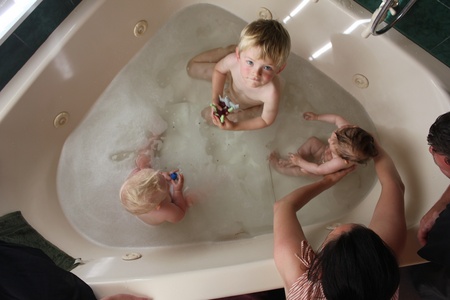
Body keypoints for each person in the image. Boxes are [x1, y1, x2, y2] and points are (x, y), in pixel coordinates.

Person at [273, 142, 406, 299]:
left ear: (320, 272)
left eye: (331, 235)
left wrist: (327, 181)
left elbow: (283, 206)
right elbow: (394, 185)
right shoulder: (382, 272)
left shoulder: (304, 291)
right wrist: (366, 143)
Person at [186, 18, 291, 131]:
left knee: (208, 117)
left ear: (279, 69)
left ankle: (251, 111)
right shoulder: (233, 61)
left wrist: (235, 126)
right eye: (250, 62)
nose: (255, 73)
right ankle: (227, 51)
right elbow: (219, 71)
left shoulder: (271, 92)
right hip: (232, 77)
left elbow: (266, 120)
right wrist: (215, 97)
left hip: (249, 106)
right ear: (238, 56)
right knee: (191, 68)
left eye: (267, 67)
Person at [269, 112, 378, 176]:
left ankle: (282, 169)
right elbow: (336, 119)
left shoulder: (340, 163)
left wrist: (301, 163)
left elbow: (318, 170)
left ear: (345, 160)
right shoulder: (347, 131)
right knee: (313, 141)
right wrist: (317, 117)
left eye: (334, 146)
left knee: (305, 170)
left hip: (323, 165)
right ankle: (294, 159)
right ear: (353, 127)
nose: (329, 140)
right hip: (323, 152)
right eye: (335, 135)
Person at [119, 135, 189, 225]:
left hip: (147, 198)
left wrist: (161, 176)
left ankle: (153, 138)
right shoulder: (165, 210)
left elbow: (150, 182)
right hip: (167, 202)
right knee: (191, 198)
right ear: (158, 205)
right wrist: (177, 191)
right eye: (166, 184)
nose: (164, 176)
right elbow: (181, 213)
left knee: (142, 161)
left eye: (156, 173)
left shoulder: (135, 176)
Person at [417, 111, 450, 265]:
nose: (430, 150)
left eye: (433, 148)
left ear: (447, 161)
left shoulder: (445, 228)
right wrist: (442, 202)